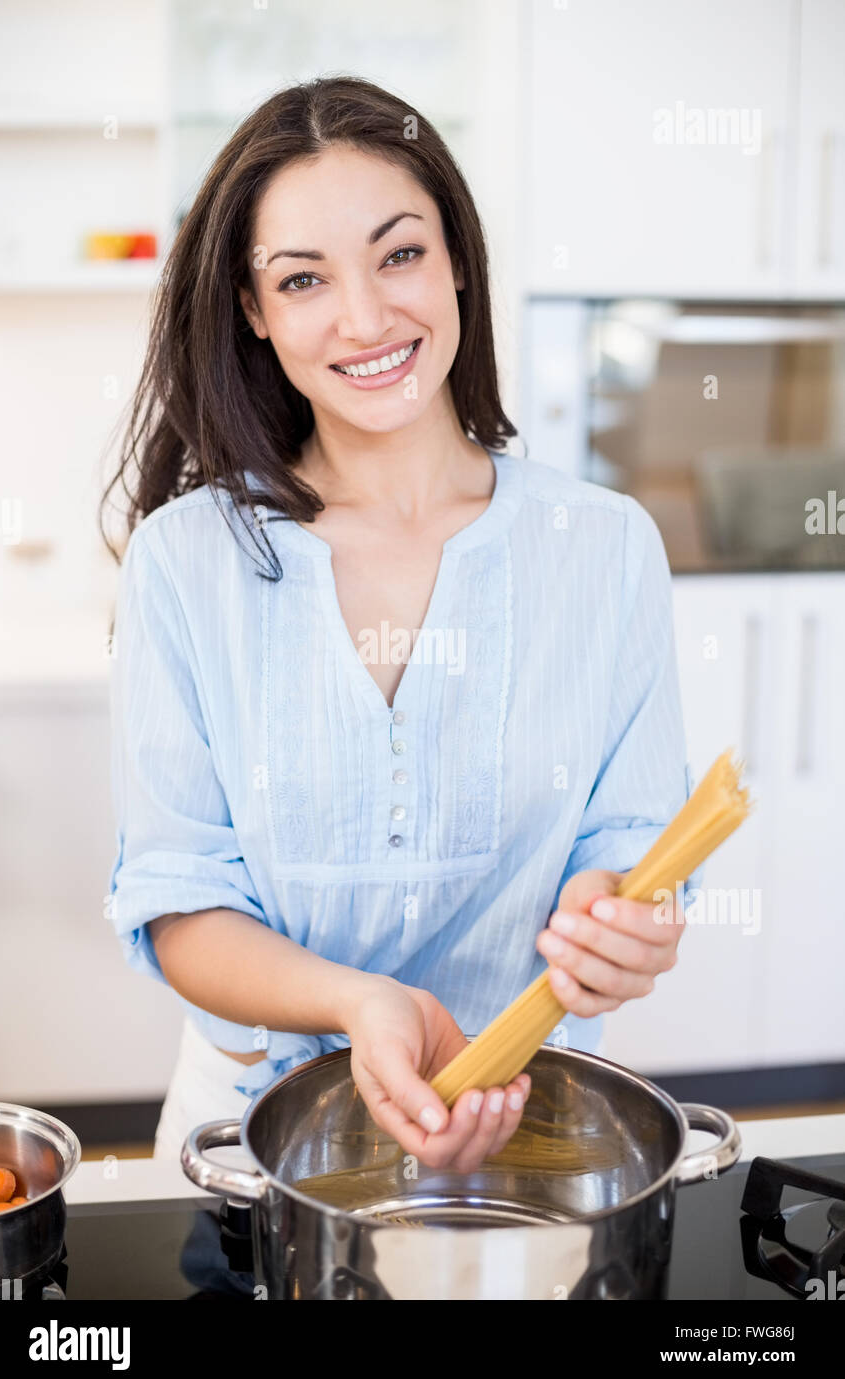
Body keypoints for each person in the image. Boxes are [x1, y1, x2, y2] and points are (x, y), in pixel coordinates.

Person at [105, 76, 696, 1170]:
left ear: (456, 257)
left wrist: (611, 916)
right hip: (255, 1134)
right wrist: (355, 1002)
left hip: (525, 1119)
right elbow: (179, 902)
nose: (367, 317)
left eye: (399, 253)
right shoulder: (184, 562)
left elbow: (630, 840)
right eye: (302, 279)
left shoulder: (604, 548)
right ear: (253, 309)